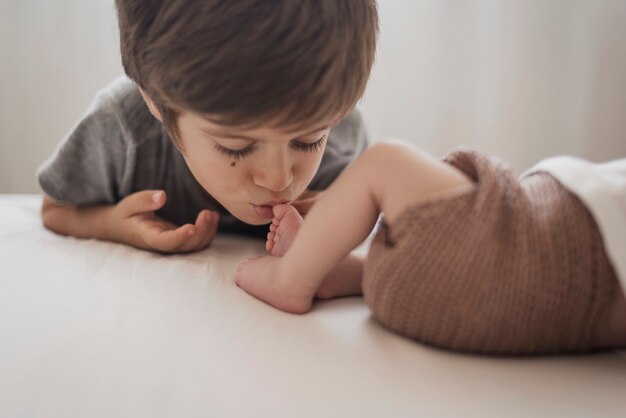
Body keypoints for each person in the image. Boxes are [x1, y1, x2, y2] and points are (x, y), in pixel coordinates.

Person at [37, 0, 378, 253]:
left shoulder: (337, 118)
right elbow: (56, 208)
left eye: (308, 141)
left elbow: (374, 212)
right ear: (154, 100)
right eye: (236, 146)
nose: (279, 179)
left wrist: (343, 216)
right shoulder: (123, 128)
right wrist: (113, 225)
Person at [235, 141, 626, 355]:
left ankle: (293, 277)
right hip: (551, 322)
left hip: (538, 243)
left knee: (384, 163)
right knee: (423, 247)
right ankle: (351, 271)